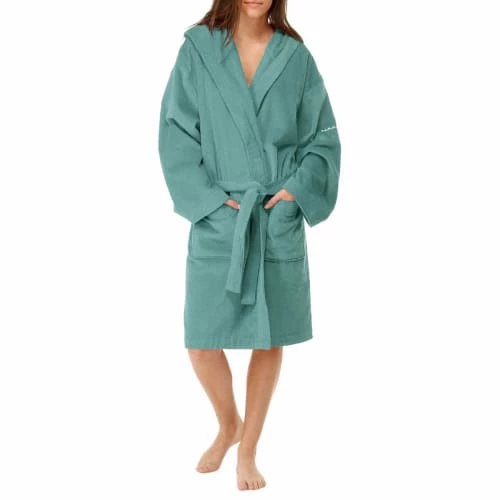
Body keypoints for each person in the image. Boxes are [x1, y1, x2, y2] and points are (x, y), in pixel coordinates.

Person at [157, 0, 341, 491]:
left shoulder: (296, 57)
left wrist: (296, 192)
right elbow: (175, 134)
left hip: (273, 214)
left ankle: (249, 450)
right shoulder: (198, 50)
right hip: (220, 215)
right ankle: (228, 424)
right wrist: (209, 202)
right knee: (201, 343)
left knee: (269, 336)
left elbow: (323, 139)